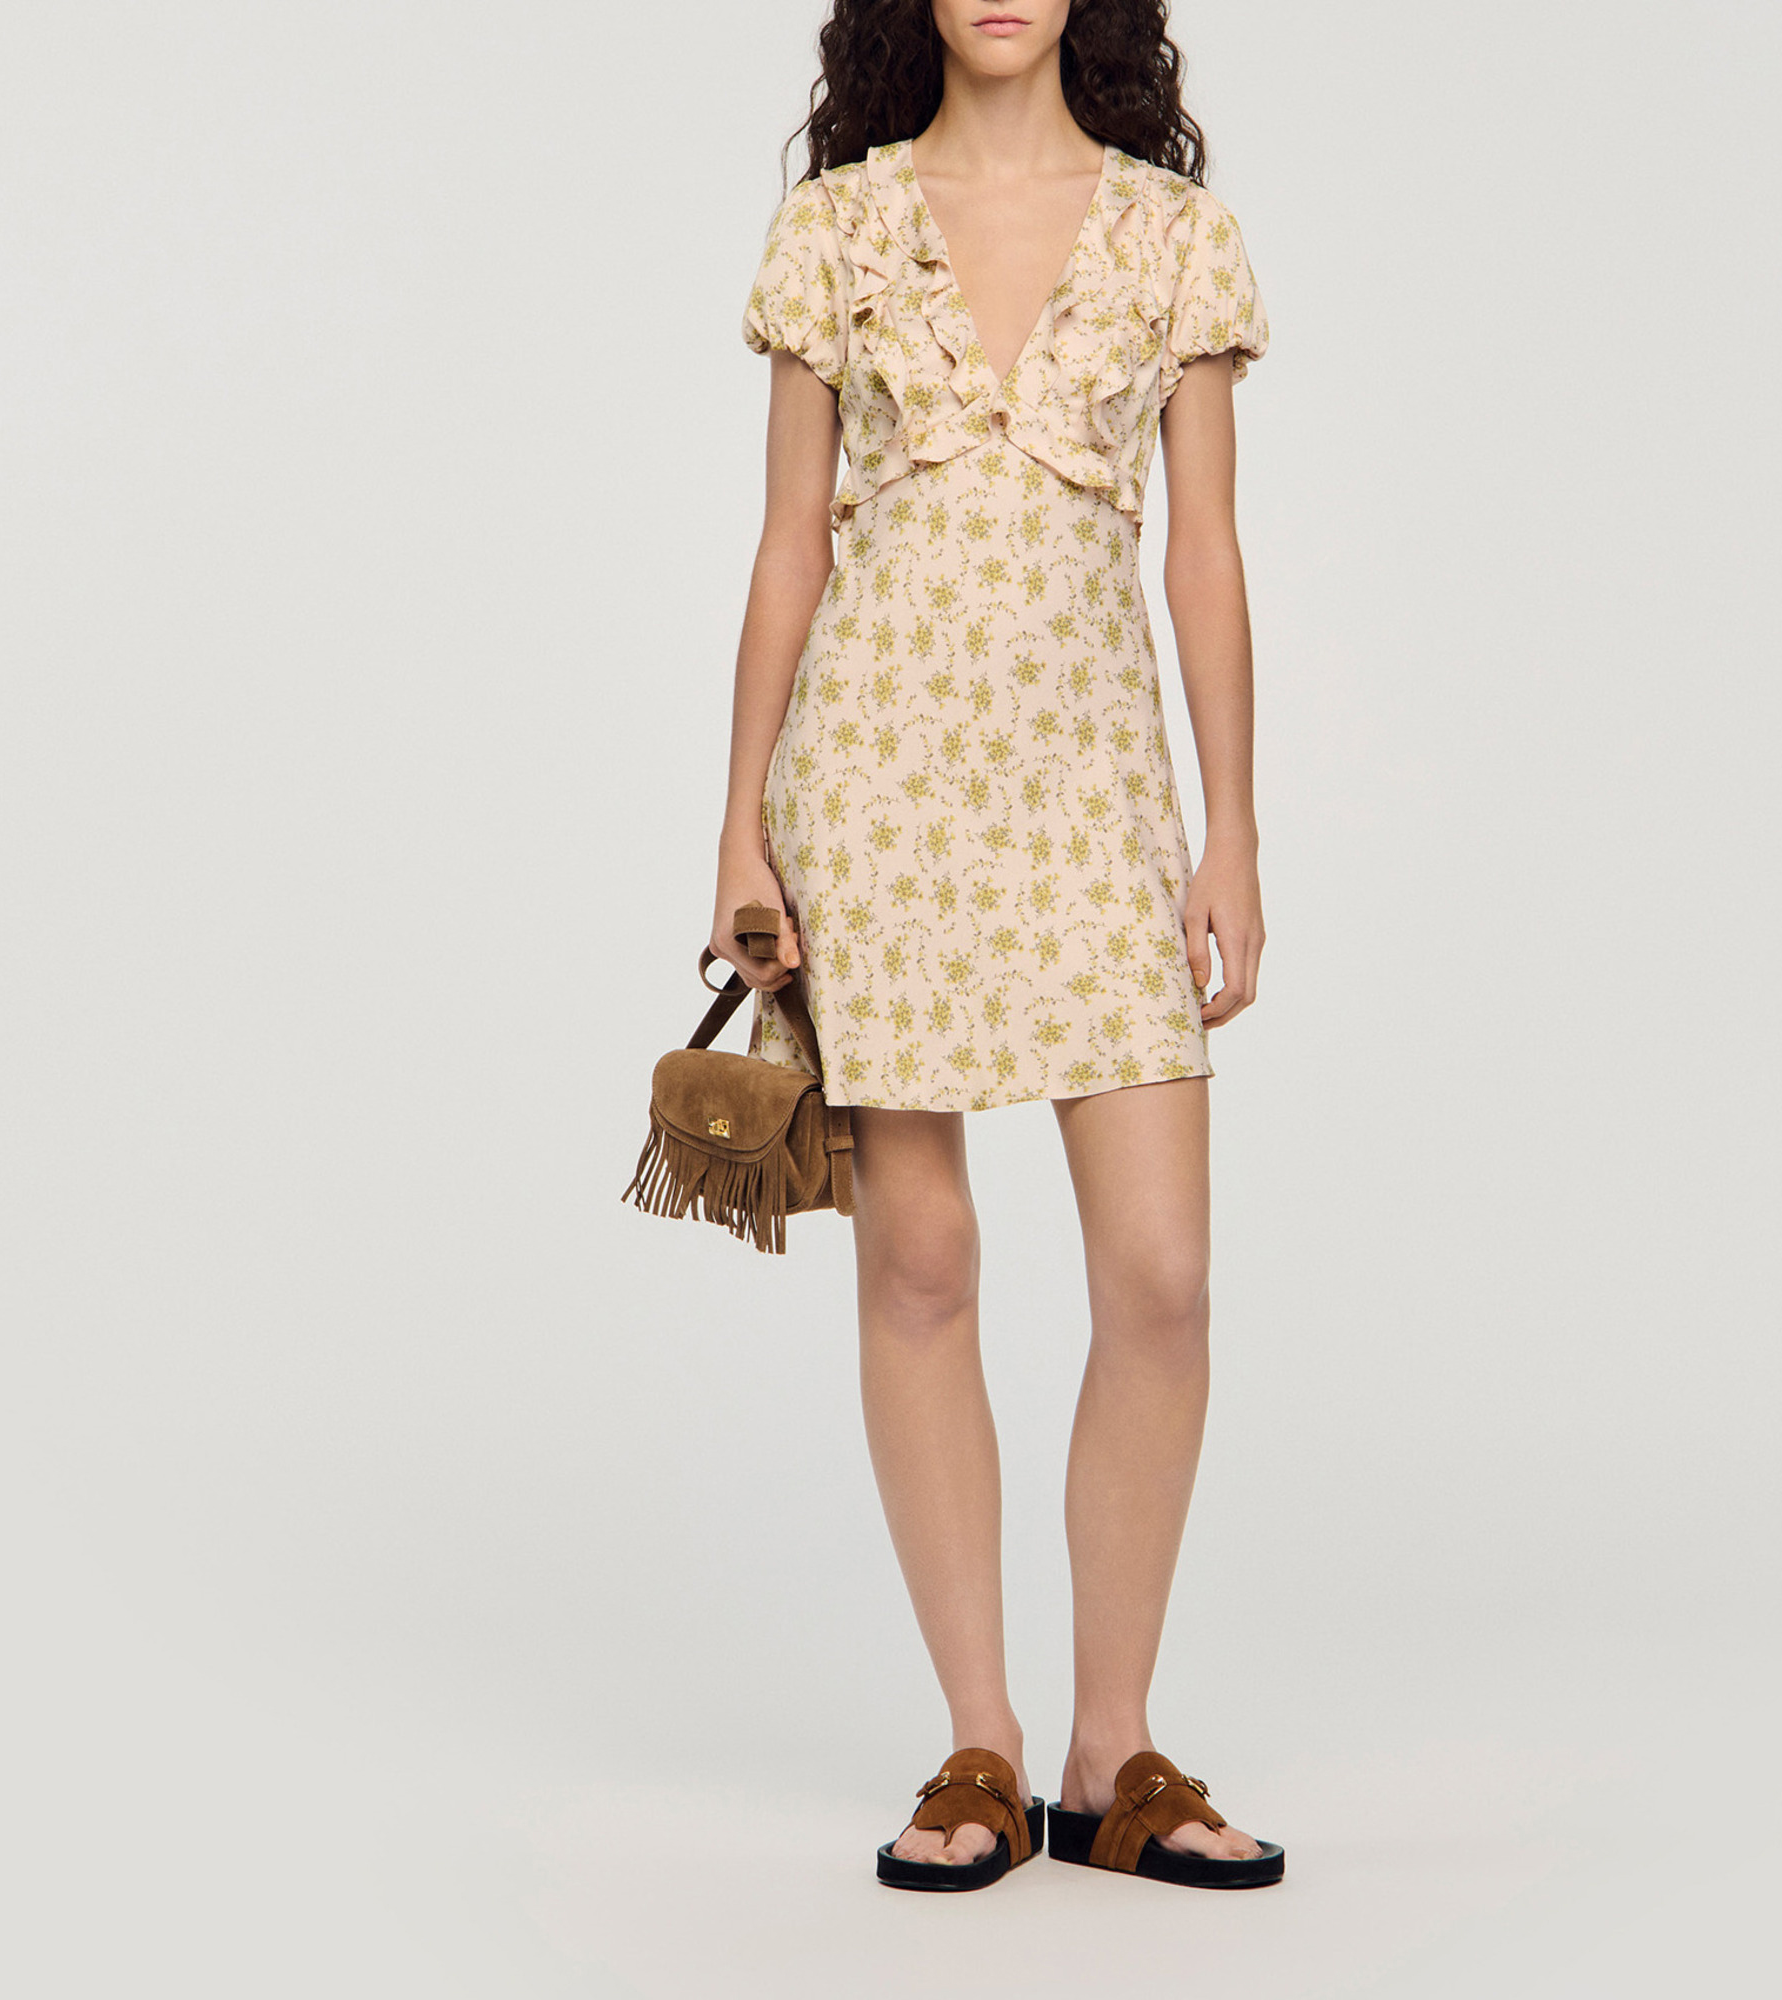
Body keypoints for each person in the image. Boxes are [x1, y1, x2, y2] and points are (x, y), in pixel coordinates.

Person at [713, 0, 1284, 1891]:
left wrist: (1232, 828)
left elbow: (1205, 553)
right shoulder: (837, 227)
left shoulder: (1177, 235)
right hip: (874, 793)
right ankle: (982, 1742)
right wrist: (740, 827)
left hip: (1096, 799)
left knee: (1163, 1278)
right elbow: (788, 546)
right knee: (924, 1264)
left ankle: (1116, 1752)